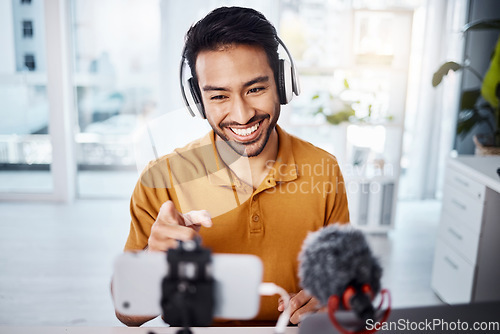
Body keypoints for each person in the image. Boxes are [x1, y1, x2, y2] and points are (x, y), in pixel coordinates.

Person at [116, 6, 349, 327]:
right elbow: (127, 314)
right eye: (219, 96)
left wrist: (332, 298)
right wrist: (154, 263)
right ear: (198, 101)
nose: (241, 115)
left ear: (282, 83)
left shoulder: (323, 169)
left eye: (255, 89)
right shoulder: (162, 178)